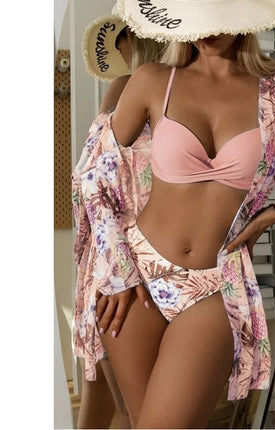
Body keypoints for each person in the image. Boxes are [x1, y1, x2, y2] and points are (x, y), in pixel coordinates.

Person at [76, 0, 275, 428]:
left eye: (216, 15)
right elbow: (93, 175)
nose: (206, 30)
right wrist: (117, 267)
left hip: (216, 285)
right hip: (135, 277)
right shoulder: (152, 80)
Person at [72, 8, 164, 429]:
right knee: (129, 408)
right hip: (122, 261)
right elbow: (93, 181)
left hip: (117, 259)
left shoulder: (143, 86)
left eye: (122, 40)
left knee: (108, 403)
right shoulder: (128, 86)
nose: (121, 49)